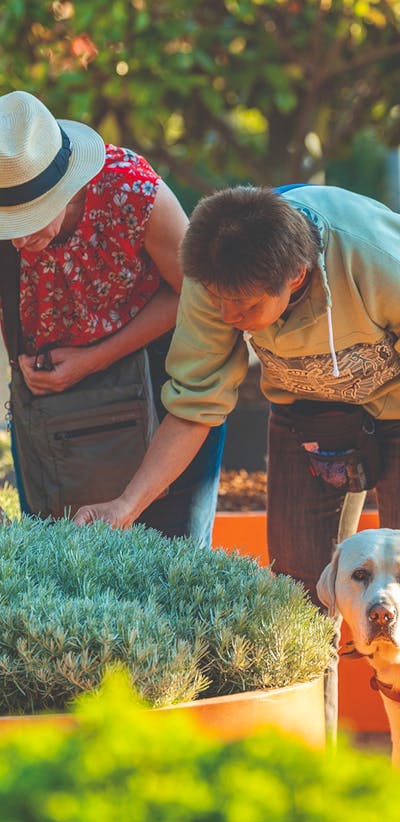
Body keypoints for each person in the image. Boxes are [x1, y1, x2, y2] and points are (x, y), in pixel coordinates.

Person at [75, 182, 400, 733]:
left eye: (247, 307)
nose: (232, 317)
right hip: (308, 419)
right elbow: (195, 404)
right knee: (297, 598)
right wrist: (125, 505)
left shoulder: (374, 258)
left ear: (296, 275)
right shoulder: (219, 278)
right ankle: (310, 768)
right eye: (221, 303)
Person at [0, 90, 225, 544]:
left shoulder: (133, 193)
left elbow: (196, 296)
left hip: (160, 394)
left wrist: (93, 360)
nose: (18, 241)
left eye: (29, 219)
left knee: (172, 563)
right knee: (61, 565)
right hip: (53, 415)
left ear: (65, 188)